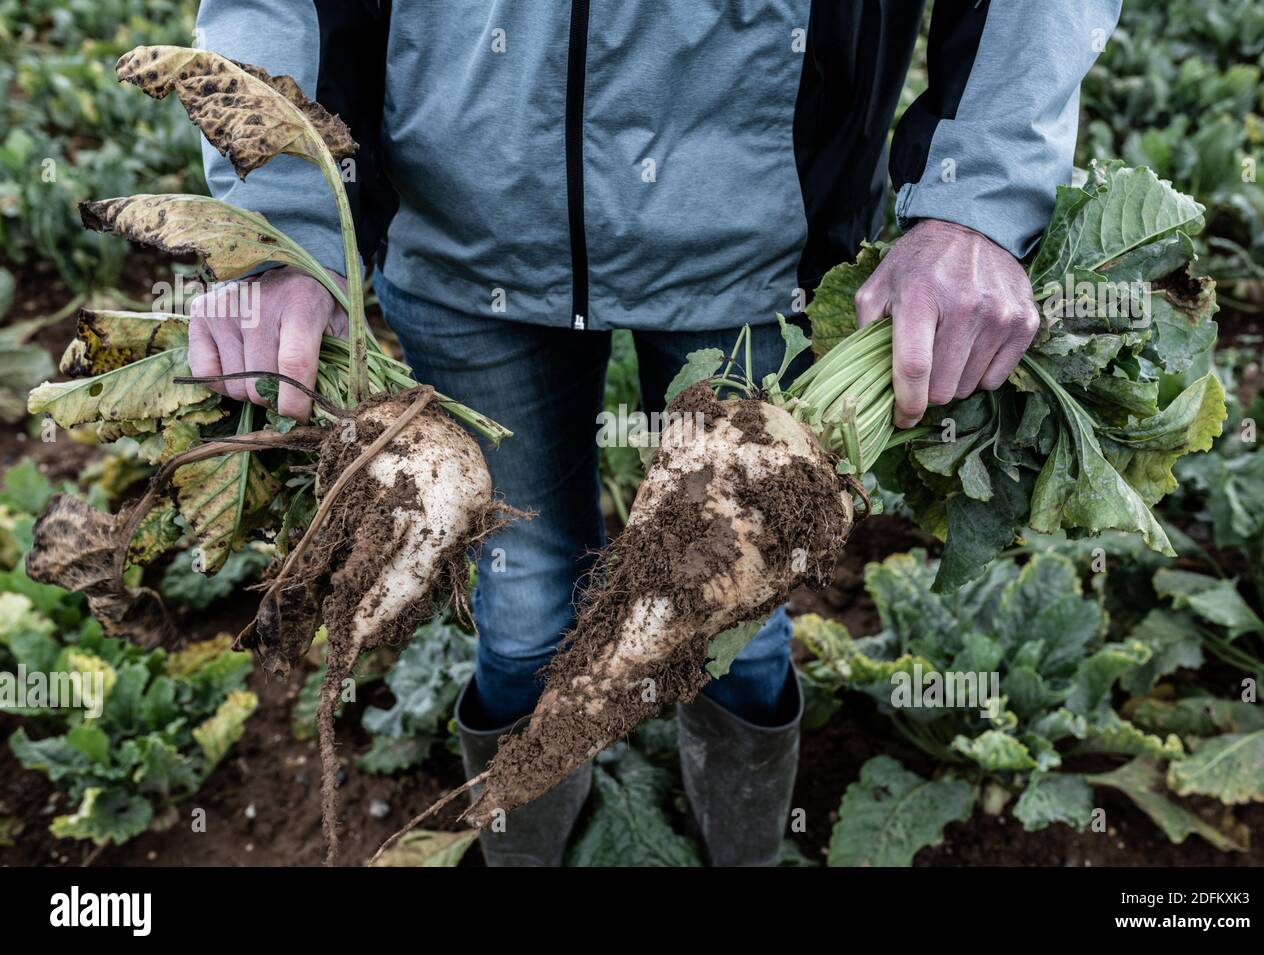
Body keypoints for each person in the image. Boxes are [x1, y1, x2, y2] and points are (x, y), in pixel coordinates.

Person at [188, 0, 1122, 866]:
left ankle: (739, 851)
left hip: (764, 240)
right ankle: (525, 825)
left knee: (733, 623)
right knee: (519, 621)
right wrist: (281, 211)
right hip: (463, 236)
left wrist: (975, 199)